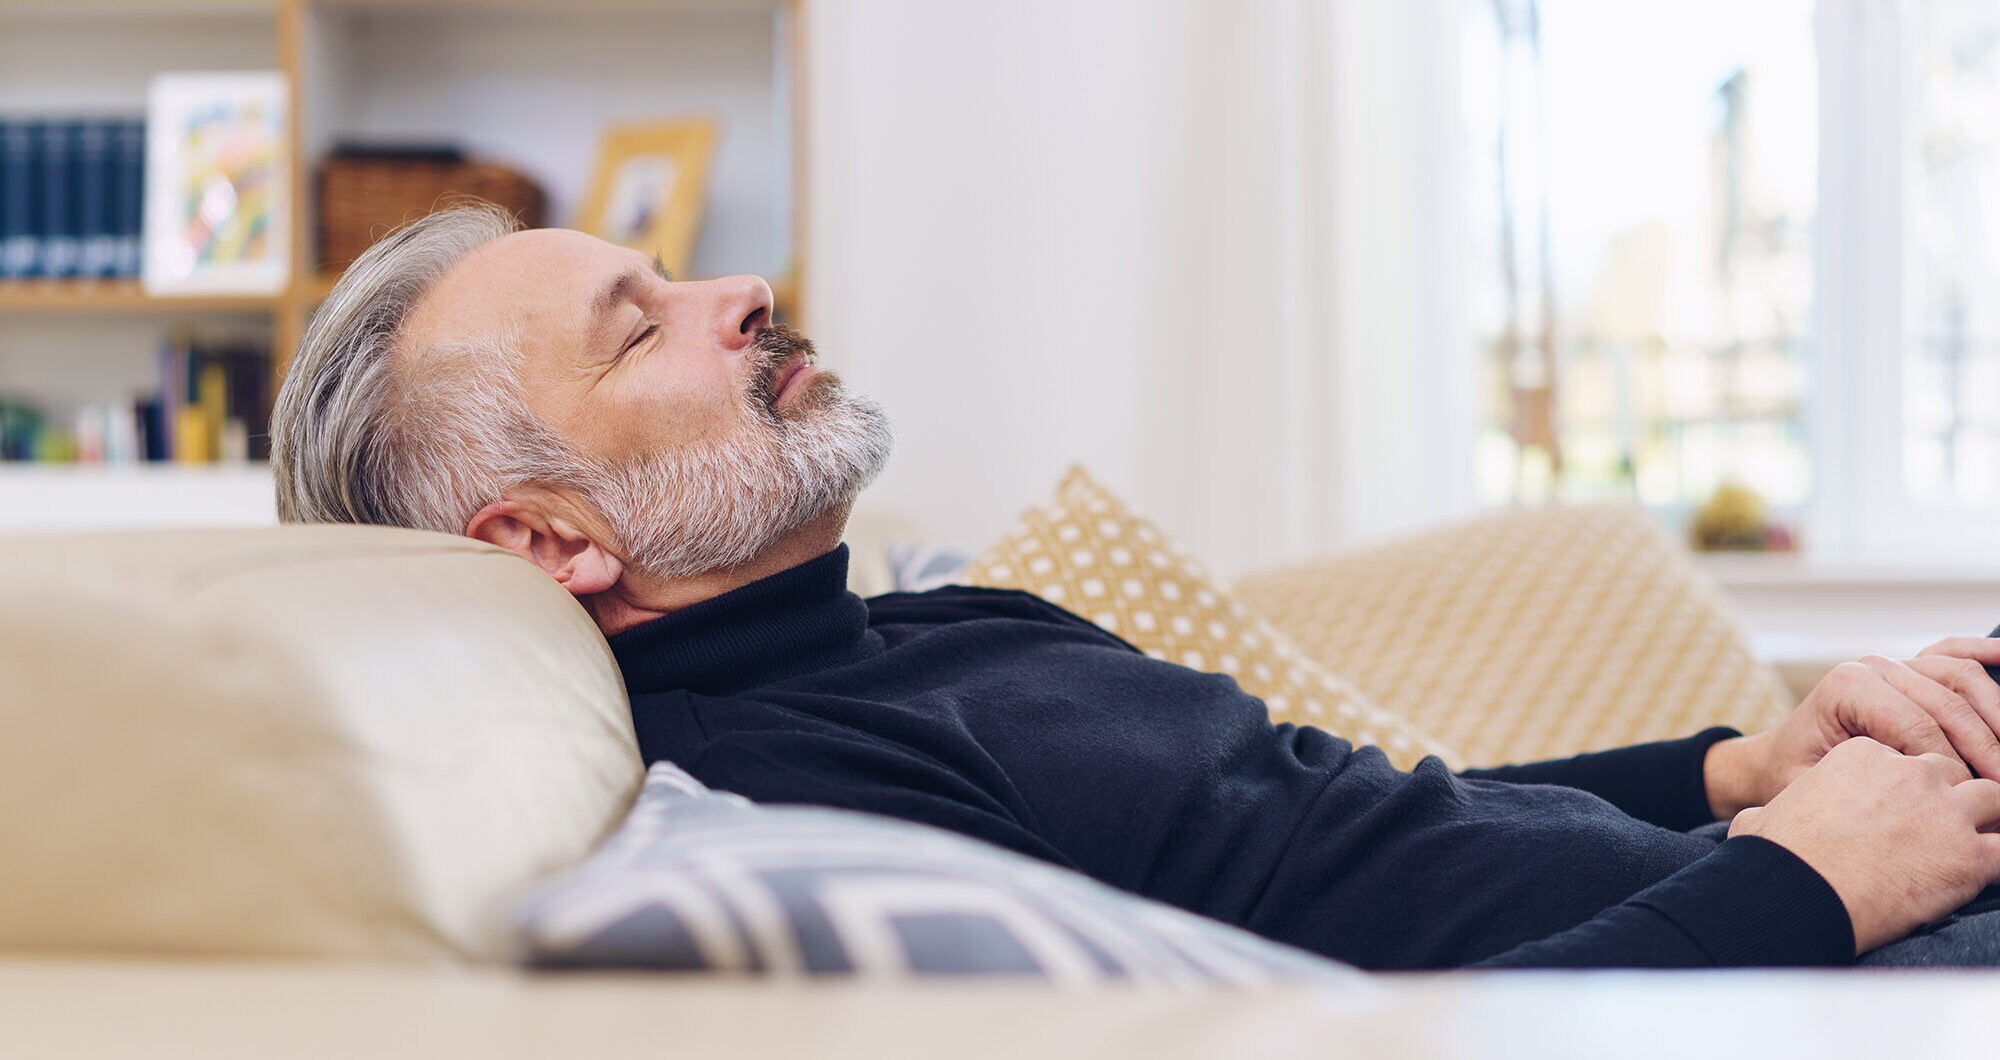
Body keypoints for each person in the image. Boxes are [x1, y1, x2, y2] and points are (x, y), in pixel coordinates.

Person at [270, 204, 2000, 969]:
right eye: (641, 325)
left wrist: (1739, 776)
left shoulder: (917, 632)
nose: (740, 287)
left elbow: (1374, 835)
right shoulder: (789, 783)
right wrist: (1802, 890)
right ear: (551, 540)